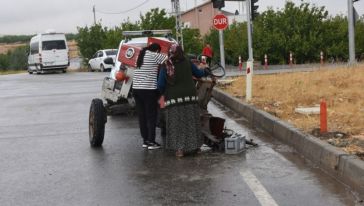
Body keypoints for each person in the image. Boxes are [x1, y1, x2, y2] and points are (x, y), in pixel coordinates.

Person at [158, 44, 210, 157]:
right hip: (190, 97)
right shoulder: (187, 61)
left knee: (177, 123)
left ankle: (180, 150)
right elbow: (199, 73)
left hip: (173, 99)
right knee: (191, 121)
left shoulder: (166, 65)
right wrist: (206, 71)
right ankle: (196, 147)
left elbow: (161, 84)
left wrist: (164, 93)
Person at [133, 43, 168, 150]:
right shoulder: (154, 55)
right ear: (157, 50)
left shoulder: (140, 55)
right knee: (151, 116)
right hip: (147, 90)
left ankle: (145, 141)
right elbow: (167, 58)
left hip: (136, 89)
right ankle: (151, 142)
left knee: (142, 116)